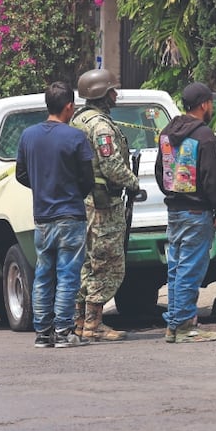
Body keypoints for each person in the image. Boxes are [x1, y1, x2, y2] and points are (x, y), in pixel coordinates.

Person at [16, 81, 95, 348]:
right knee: (68, 275)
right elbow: (87, 179)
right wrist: (73, 193)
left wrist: (42, 187)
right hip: (71, 215)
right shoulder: (75, 137)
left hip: (42, 218)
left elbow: (21, 174)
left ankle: (42, 333)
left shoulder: (28, 136)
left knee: (43, 274)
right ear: (69, 107)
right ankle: (64, 332)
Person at [72, 69, 141, 342]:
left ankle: (79, 321)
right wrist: (133, 182)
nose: (115, 94)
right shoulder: (100, 126)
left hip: (85, 201)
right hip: (104, 204)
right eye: (112, 90)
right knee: (108, 263)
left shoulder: (78, 120)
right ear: (101, 93)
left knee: (88, 262)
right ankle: (94, 324)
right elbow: (112, 165)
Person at [155, 82, 216, 344]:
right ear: (204, 104)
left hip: (174, 210)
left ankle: (174, 325)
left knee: (176, 269)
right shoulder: (204, 135)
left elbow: (159, 173)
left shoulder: (166, 132)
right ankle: (184, 326)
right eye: (211, 103)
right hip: (198, 211)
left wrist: (173, 194)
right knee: (190, 270)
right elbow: (211, 180)